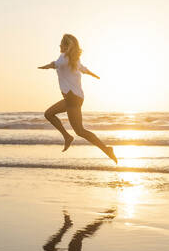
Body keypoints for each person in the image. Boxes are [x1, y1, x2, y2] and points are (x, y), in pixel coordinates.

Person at [38, 34, 118, 164]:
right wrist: (93, 74)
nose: (59, 46)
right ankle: (67, 137)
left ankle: (106, 149)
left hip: (72, 98)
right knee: (49, 114)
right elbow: (83, 69)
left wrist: (46, 66)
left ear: (66, 46)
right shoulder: (74, 59)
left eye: (61, 44)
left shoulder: (64, 58)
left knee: (80, 131)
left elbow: (55, 64)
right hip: (74, 97)